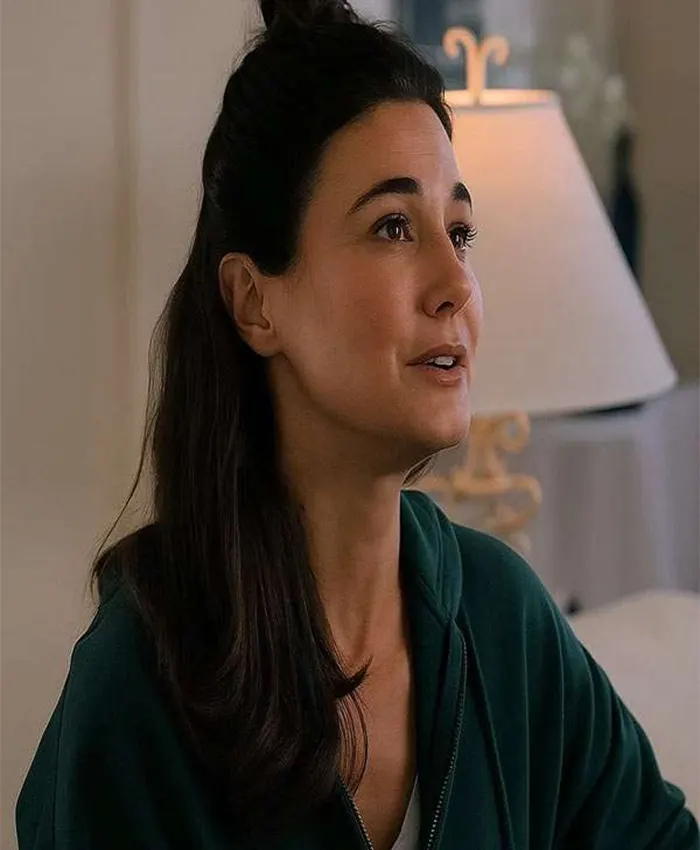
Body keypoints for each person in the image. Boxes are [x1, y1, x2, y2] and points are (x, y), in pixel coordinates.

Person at [15, 1, 699, 848]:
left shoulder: (503, 616)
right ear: (254, 302)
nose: (456, 283)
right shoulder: (141, 683)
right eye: (393, 227)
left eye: (461, 231)